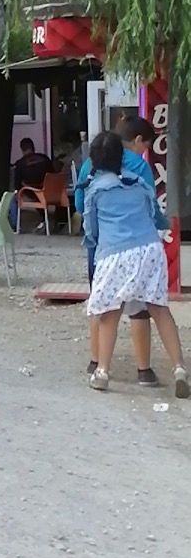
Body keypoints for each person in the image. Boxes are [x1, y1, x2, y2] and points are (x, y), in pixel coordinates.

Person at [82, 128, 188, 395]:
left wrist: (96, 247)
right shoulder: (138, 182)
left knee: (109, 313)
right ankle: (179, 369)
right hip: (150, 250)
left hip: (115, 252)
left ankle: (103, 371)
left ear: (94, 159)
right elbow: (156, 216)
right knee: (159, 310)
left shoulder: (95, 190)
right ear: (121, 156)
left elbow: (90, 229)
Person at [75, 116, 161, 385]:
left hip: (102, 246)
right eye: (144, 146)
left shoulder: (90, 164)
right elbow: (150, 208)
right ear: (136, 141)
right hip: (138, 246)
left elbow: (80, 204)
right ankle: (144, 370)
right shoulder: (141, 167)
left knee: (100, 303)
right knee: (140, 306)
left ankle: (97, 362)